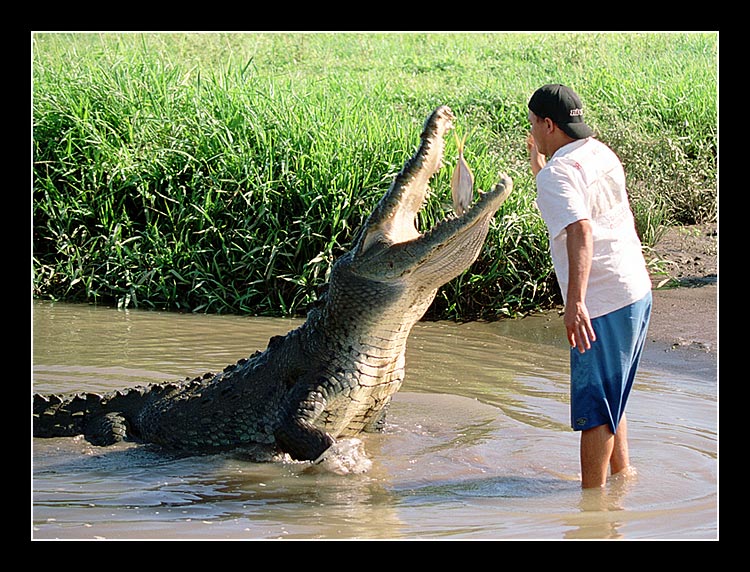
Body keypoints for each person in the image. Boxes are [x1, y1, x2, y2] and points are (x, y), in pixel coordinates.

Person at [525, 84, 652, 488]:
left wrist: (575, 302)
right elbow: (572, 196)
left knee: (595, 410)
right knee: (612, 396)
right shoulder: (600, 153)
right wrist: (538, 166)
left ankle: (592, 509)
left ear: (548, 124)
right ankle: (623, 477)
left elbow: (580, 227)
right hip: (635, 290)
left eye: (533, 125)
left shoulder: (559, 173)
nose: (533, 132)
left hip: (601, 301)